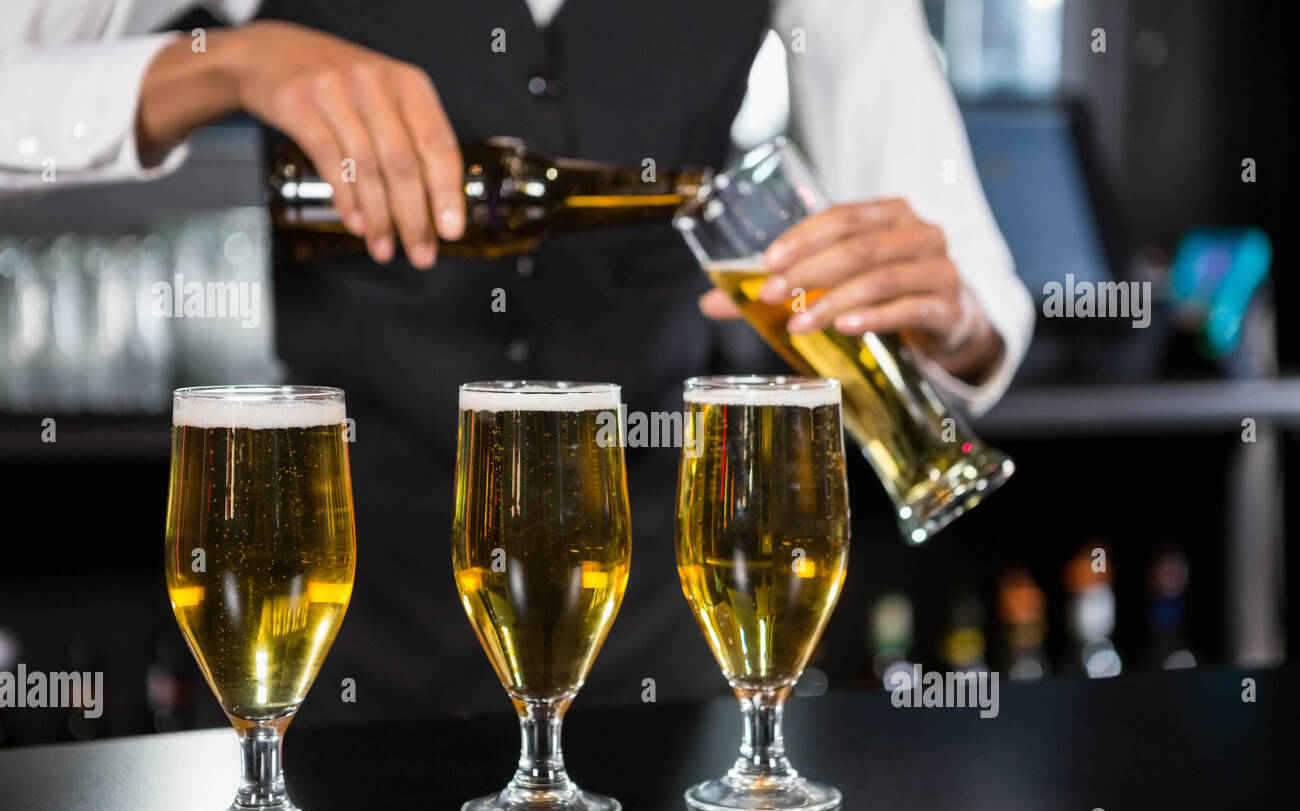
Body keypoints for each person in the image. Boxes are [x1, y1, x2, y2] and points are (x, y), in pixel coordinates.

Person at [0, 0, 1034, 722]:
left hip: (661, 631)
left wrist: (945, 313)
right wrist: (234, 61)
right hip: (349, 622)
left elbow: (974, 296)